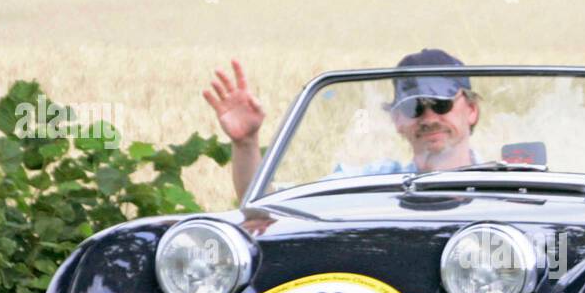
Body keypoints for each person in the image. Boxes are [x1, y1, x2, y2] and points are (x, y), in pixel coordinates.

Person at [204, 48, 479, 201]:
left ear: (472, 111)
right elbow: (268, 205)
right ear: (398, 120)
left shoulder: (509, 183)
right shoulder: (372, 182)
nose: (429, 119)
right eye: (414, 107)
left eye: (442, 105)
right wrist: (246, 142)